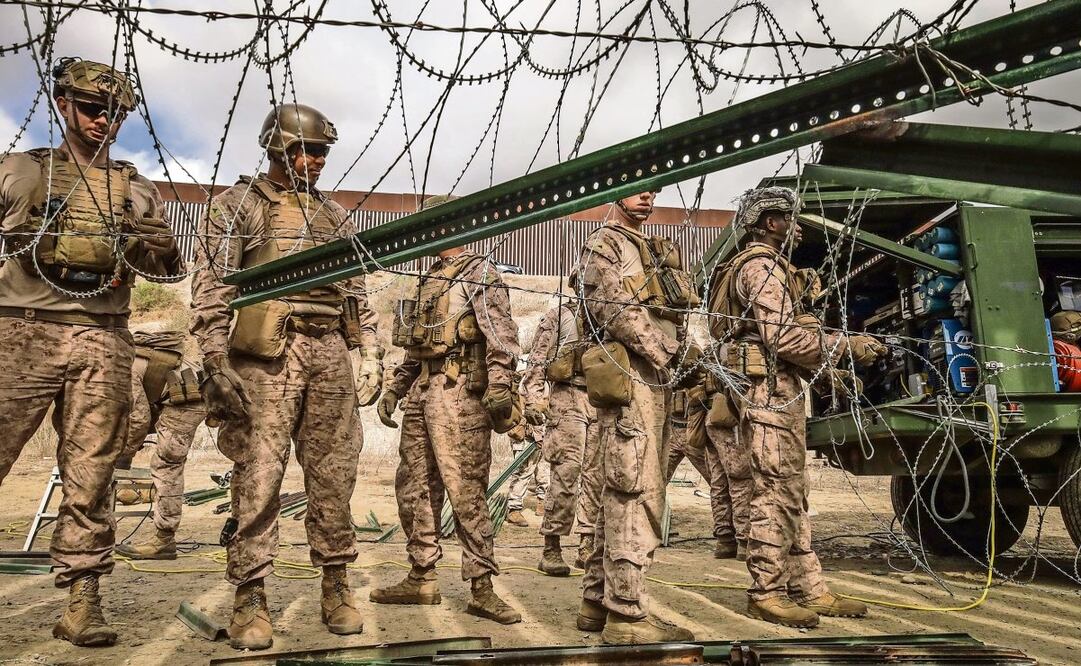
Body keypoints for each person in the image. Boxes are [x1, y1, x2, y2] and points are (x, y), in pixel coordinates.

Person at [0, 57, 181, 647]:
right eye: (91, 108)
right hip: (23, 329)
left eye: (114, 112)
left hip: (104, 333)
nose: (103, 120)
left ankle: (82, 599)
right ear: (63, 105)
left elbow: (164, 268)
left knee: (92, 472)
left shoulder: (137, 189)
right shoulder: (22, 172)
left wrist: (162, 249)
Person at [190, 103, 382, 650]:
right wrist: (213, 360)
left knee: (334, 474)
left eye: (322, 151)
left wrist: (368, 350)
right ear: (276, 147)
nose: (315, 160)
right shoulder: (238, 206)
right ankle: (251, 592)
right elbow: (212, 290)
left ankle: (336, 583)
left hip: (327, 353)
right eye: (304, 149)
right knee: (259, 476)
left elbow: (355, 290)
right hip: (266, 358)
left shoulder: (334, 216)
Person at [707, 186, 884, 628]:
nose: (799, 228)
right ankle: (766, 591)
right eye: (792, 219)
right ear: (771, 222)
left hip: (775, 390)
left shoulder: (755, 268)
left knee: (792, 491)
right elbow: (783, 338)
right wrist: (849, 346)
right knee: (773, 490)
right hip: (769, 395)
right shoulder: (762, 268)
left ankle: (807, 586)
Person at [373, 194, 522, 624]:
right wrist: (394, 389)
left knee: (466, 491)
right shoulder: (431, 278)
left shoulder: (481, 274)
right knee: (415, 486)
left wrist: (501, 389)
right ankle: (422, 576)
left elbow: (501, 338)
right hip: (423, 390)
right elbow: (416, 347)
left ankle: (481, 587)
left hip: (459, 396)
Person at [574, 190, 697, 643]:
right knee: (632, 487)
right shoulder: (603, 243)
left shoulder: (654, 248)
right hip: (630, 376)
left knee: (628, 487)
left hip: (654, 379)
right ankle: (625, 616)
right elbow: (613, 309)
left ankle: (595, 603)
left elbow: (675, 313)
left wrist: (683, 354)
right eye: (637, 187)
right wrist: (669, 355)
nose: (647, 196)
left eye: (654, 190)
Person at [114, 323, 209, 559]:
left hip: (186, 401)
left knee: (167, 465)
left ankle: (163, 540)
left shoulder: (122, 365)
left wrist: (124, 455)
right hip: (185, 395)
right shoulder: (129, 357)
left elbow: (138, 418)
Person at [520, 300, 601, 574]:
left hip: (601, 400)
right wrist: (533, 398)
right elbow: (538, 358)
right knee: (566, 474)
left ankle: (587, 543)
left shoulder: (612, 315)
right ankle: (551, 547)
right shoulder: (561, 316)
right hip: (568, 398)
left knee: (596, 477)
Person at [665, 373, 739, 559]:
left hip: (694, 429)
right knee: (655, 483)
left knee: (720, 482)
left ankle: (729, 538)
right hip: (674, 427)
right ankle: (728, 537)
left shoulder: (704, 353)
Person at [504, 421, 550, 528]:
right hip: (525, 433)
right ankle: (513, 509)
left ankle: (542, 501)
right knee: (522, 472)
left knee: (544, 469)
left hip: (544, 431)